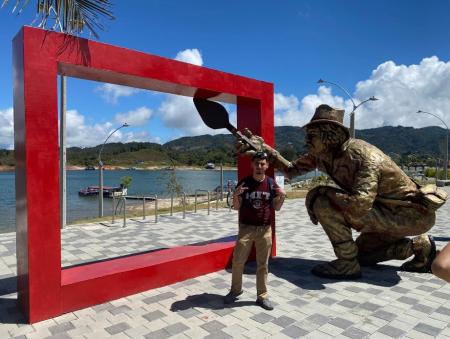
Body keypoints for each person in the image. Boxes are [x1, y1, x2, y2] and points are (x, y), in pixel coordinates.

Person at [237, 104, 447, 279]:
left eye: (312, 136)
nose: (306, 141)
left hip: (410, 215)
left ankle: (347, 263)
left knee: (322, 202)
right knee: (362, 256)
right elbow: (291, 170)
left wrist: (322, 193)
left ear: (330, 135)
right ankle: (419, 247)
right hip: (385, 212)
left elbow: (360, 205)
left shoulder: (363, 156)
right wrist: (264, 150)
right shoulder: (322, 154)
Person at [224, 151, 286, 310]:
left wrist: (282, 197)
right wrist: (235, 196)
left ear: (267, 165)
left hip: (265, 229)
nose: (259, 166)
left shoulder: (271, 183)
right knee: (237, 261)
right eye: (257, 163)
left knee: (263, 264)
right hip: (246, 228)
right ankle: (235, 290)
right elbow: (237, 207)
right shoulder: (244, 183)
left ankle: (262, 296)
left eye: (262, 163)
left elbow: (276, 208)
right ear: (252, 165)